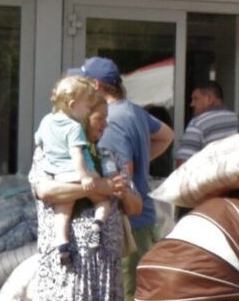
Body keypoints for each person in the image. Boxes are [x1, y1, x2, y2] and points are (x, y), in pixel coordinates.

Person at [74, 56, 174, 300]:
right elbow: (166, 135)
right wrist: (143, 162)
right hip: (144, 221)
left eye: (83, 83)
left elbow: (122, 176)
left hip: (128, 227)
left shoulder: (110, 121)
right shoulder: (133, 110)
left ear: (96, 86)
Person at [30, 103, 143, 301]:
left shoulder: (107, 156)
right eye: (100, 118)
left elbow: (136, 207)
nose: (105, 124)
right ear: (82, 120)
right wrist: (100, 187)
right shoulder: (50, 154)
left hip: (106, 274)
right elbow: (46, 191)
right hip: (67, 274)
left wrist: (122, 191)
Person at [175, 82, 239, 168]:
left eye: (196, 99)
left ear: (209, 99)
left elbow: (183, 164)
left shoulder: (197, 123)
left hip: (208, 176)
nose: (192, 104)